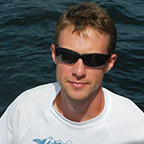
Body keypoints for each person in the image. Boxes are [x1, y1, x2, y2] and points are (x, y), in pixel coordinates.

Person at [0, 2, 144, 144]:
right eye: (67, 56)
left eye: (93, 59)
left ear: (110, 63)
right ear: (54, 54)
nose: (79, 71)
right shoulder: (24, 108)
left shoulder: (135, 131)